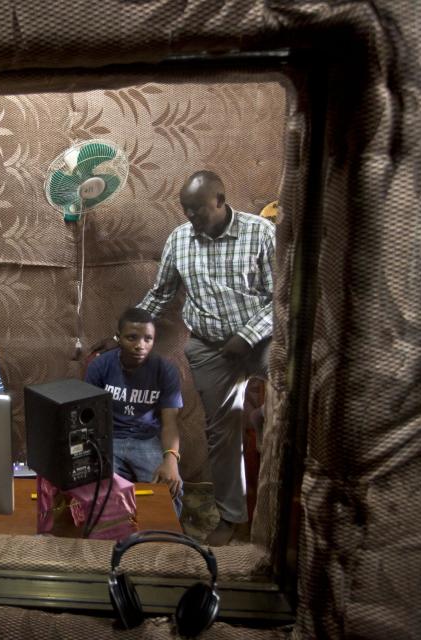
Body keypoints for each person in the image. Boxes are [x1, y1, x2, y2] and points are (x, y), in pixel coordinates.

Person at [138, 170, 274, 546]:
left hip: (261, 342)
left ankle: (276, 503)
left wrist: (246, 338)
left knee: (288, 410)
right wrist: (127, 328)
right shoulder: (180, 240)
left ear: (220, 199)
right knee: (221, 432)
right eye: (185, 211)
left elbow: (281, 297)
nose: (191, 219)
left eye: (198, 211)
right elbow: (160, 294)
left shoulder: (261, 233)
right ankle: (231, 515)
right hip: (210, 349)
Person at [85, 307, 184, 517]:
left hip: (146, 440)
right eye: (132, 337)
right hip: (110, 438)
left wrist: (171, 460)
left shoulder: (165, 370)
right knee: (98, 491)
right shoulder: (100, 366)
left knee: (169, 490)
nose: (140, 345)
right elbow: (89, 416)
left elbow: (170, 422)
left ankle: (164, 539)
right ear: (118, 338)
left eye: (148, 339)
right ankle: (114, 536)